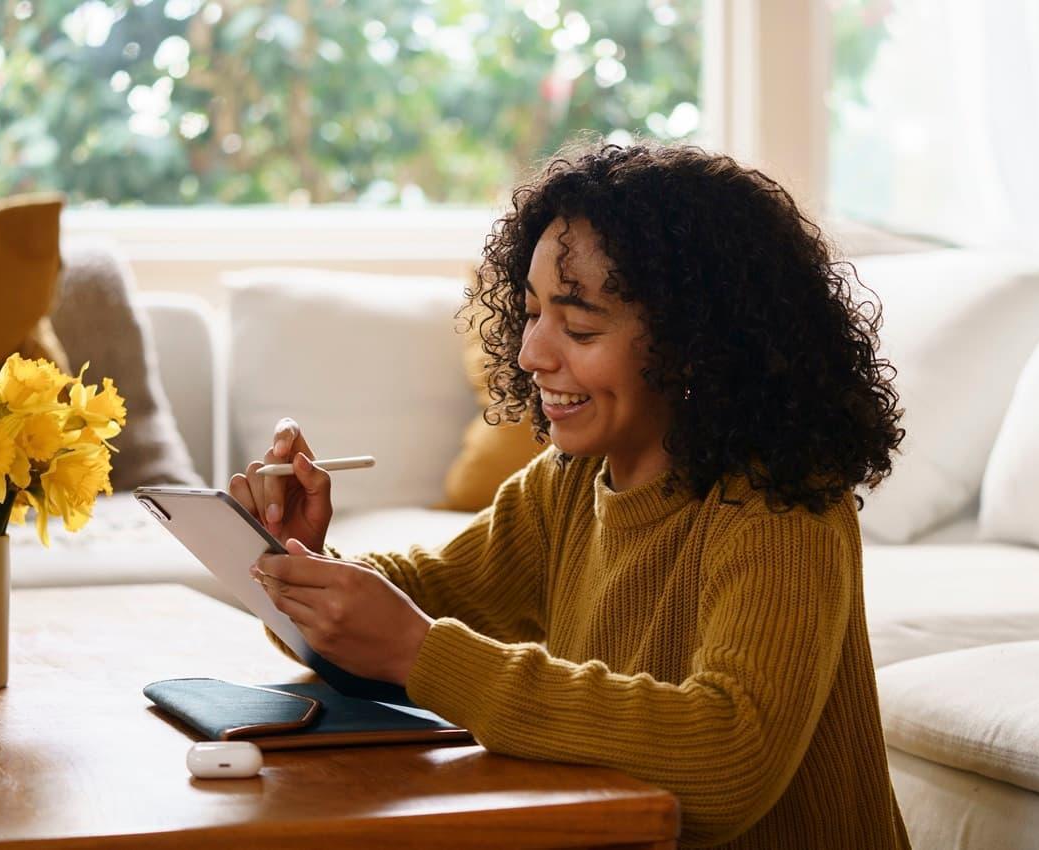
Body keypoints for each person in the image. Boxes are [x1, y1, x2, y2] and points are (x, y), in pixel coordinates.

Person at [229, 140, 910, 849]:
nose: (532, 355)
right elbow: (427, 600)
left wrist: (419, 652)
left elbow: (727, 756)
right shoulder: (568, 482)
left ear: (695, 344)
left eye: (579, 325)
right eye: (530, 313)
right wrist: (301, 557)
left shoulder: (781, 502)